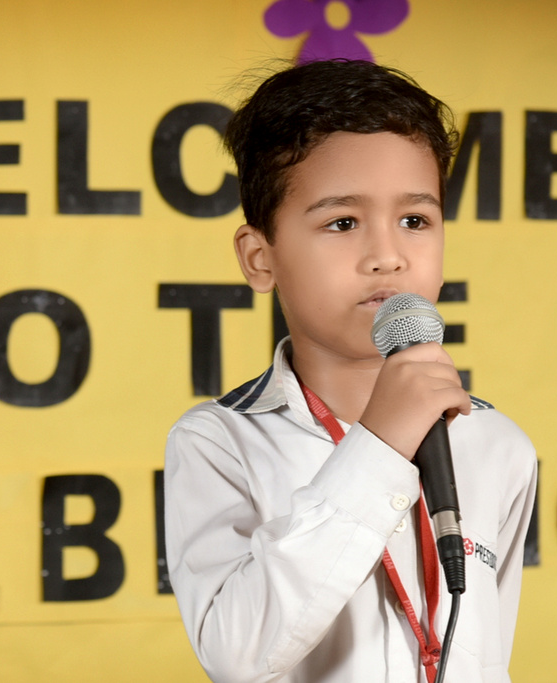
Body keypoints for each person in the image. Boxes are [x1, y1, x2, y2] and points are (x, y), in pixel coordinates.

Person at [164, 59, 537, 683]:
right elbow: (236, 653)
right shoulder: (218, 443)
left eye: (415, 221)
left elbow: (486, 653)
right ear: (261, 258)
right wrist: (380, 445)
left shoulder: (497, 445)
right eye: (342, 223)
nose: (387, 257)